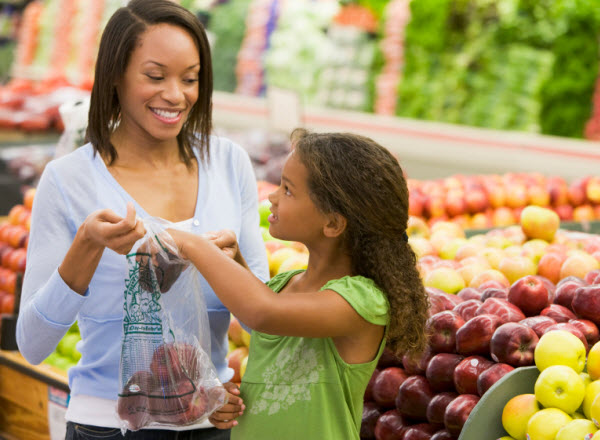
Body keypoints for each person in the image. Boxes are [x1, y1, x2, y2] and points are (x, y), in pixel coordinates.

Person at [16, 1, 268, 439]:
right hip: (108, 428)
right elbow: (33, 345)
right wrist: (86, 247)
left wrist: (235, 266)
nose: (176, 94)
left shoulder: (229, 163)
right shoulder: (69, 179)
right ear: (115, 75)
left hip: (210, 426)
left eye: (190, 79)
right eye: (155, 76)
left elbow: (263, 326)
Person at [165, 129, 430, 439]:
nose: (273, 197)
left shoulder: (361, 301)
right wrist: (230, 399)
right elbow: (266, 326)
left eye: (288, 190)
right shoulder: (284, 284)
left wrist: (192, 245)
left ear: (332, 223)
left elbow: (262, 313)